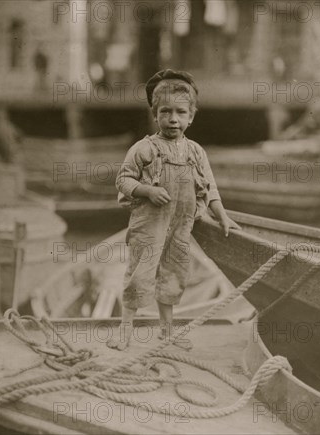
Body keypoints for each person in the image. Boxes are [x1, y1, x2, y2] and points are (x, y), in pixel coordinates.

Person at [107, 69, 241, 351]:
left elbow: (210, 188)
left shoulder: (196, 152)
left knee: (174, 277)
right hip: (149, 224)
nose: (173, 119)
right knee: (139, 275)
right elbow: (123, 179)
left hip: (181, 227)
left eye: (181, 112)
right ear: (155, 115)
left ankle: (167, 332)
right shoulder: (144, 149)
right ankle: (124, 330)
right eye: (165, 112)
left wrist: (223, 216)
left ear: (191, 116)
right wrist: (148, 190)